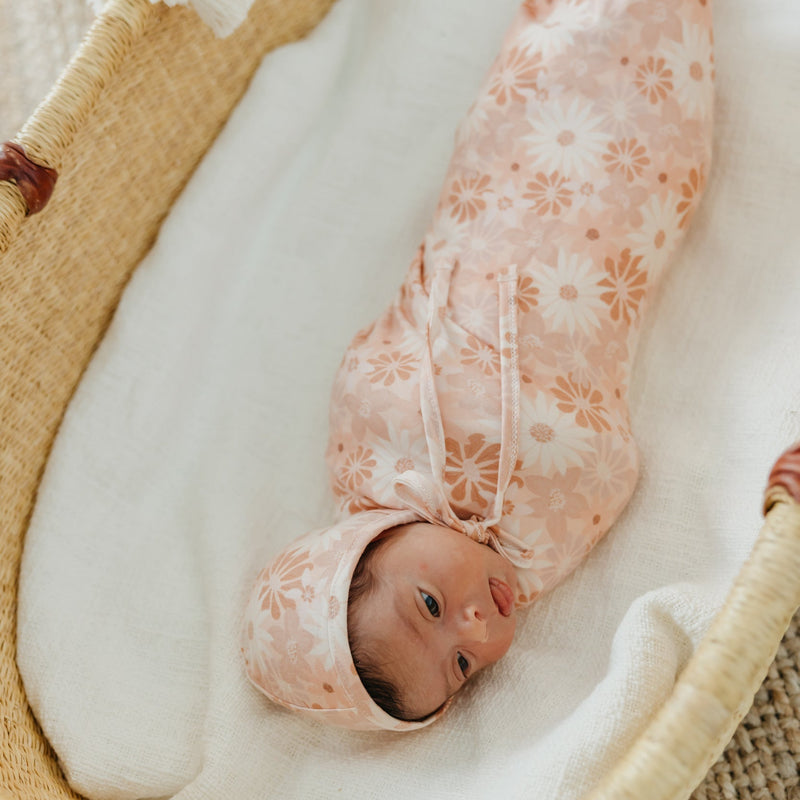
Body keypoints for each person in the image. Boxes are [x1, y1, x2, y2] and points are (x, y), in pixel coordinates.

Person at [241, 0, 714, 731]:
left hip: (502, 192)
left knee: (553, 63)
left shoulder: (371, 459)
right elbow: (610, 464)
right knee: (662, 107)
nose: (475, 627)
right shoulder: (533, 549)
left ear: (367, 543)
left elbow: (378, 355)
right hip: (617, 227)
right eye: (460, 665)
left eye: (429, 605)